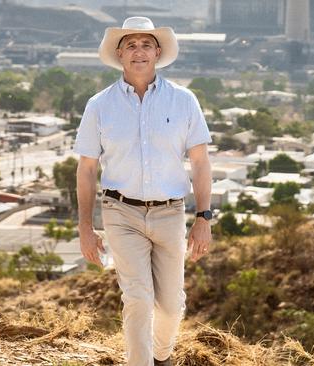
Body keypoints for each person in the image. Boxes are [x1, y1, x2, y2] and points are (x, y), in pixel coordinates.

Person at [74, 16, 213, 366]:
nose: (139, 51)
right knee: (137, 299)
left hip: (170, 213)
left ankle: (162, 357)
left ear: (158, 52)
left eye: (146, 44)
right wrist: (86, 228)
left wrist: (204, 217)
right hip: (121, 213)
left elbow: (200, 162)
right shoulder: (99, 105)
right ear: (119, 54)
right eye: (131, 45)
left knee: (170, 306)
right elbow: (87, 169)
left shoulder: (184, 101)